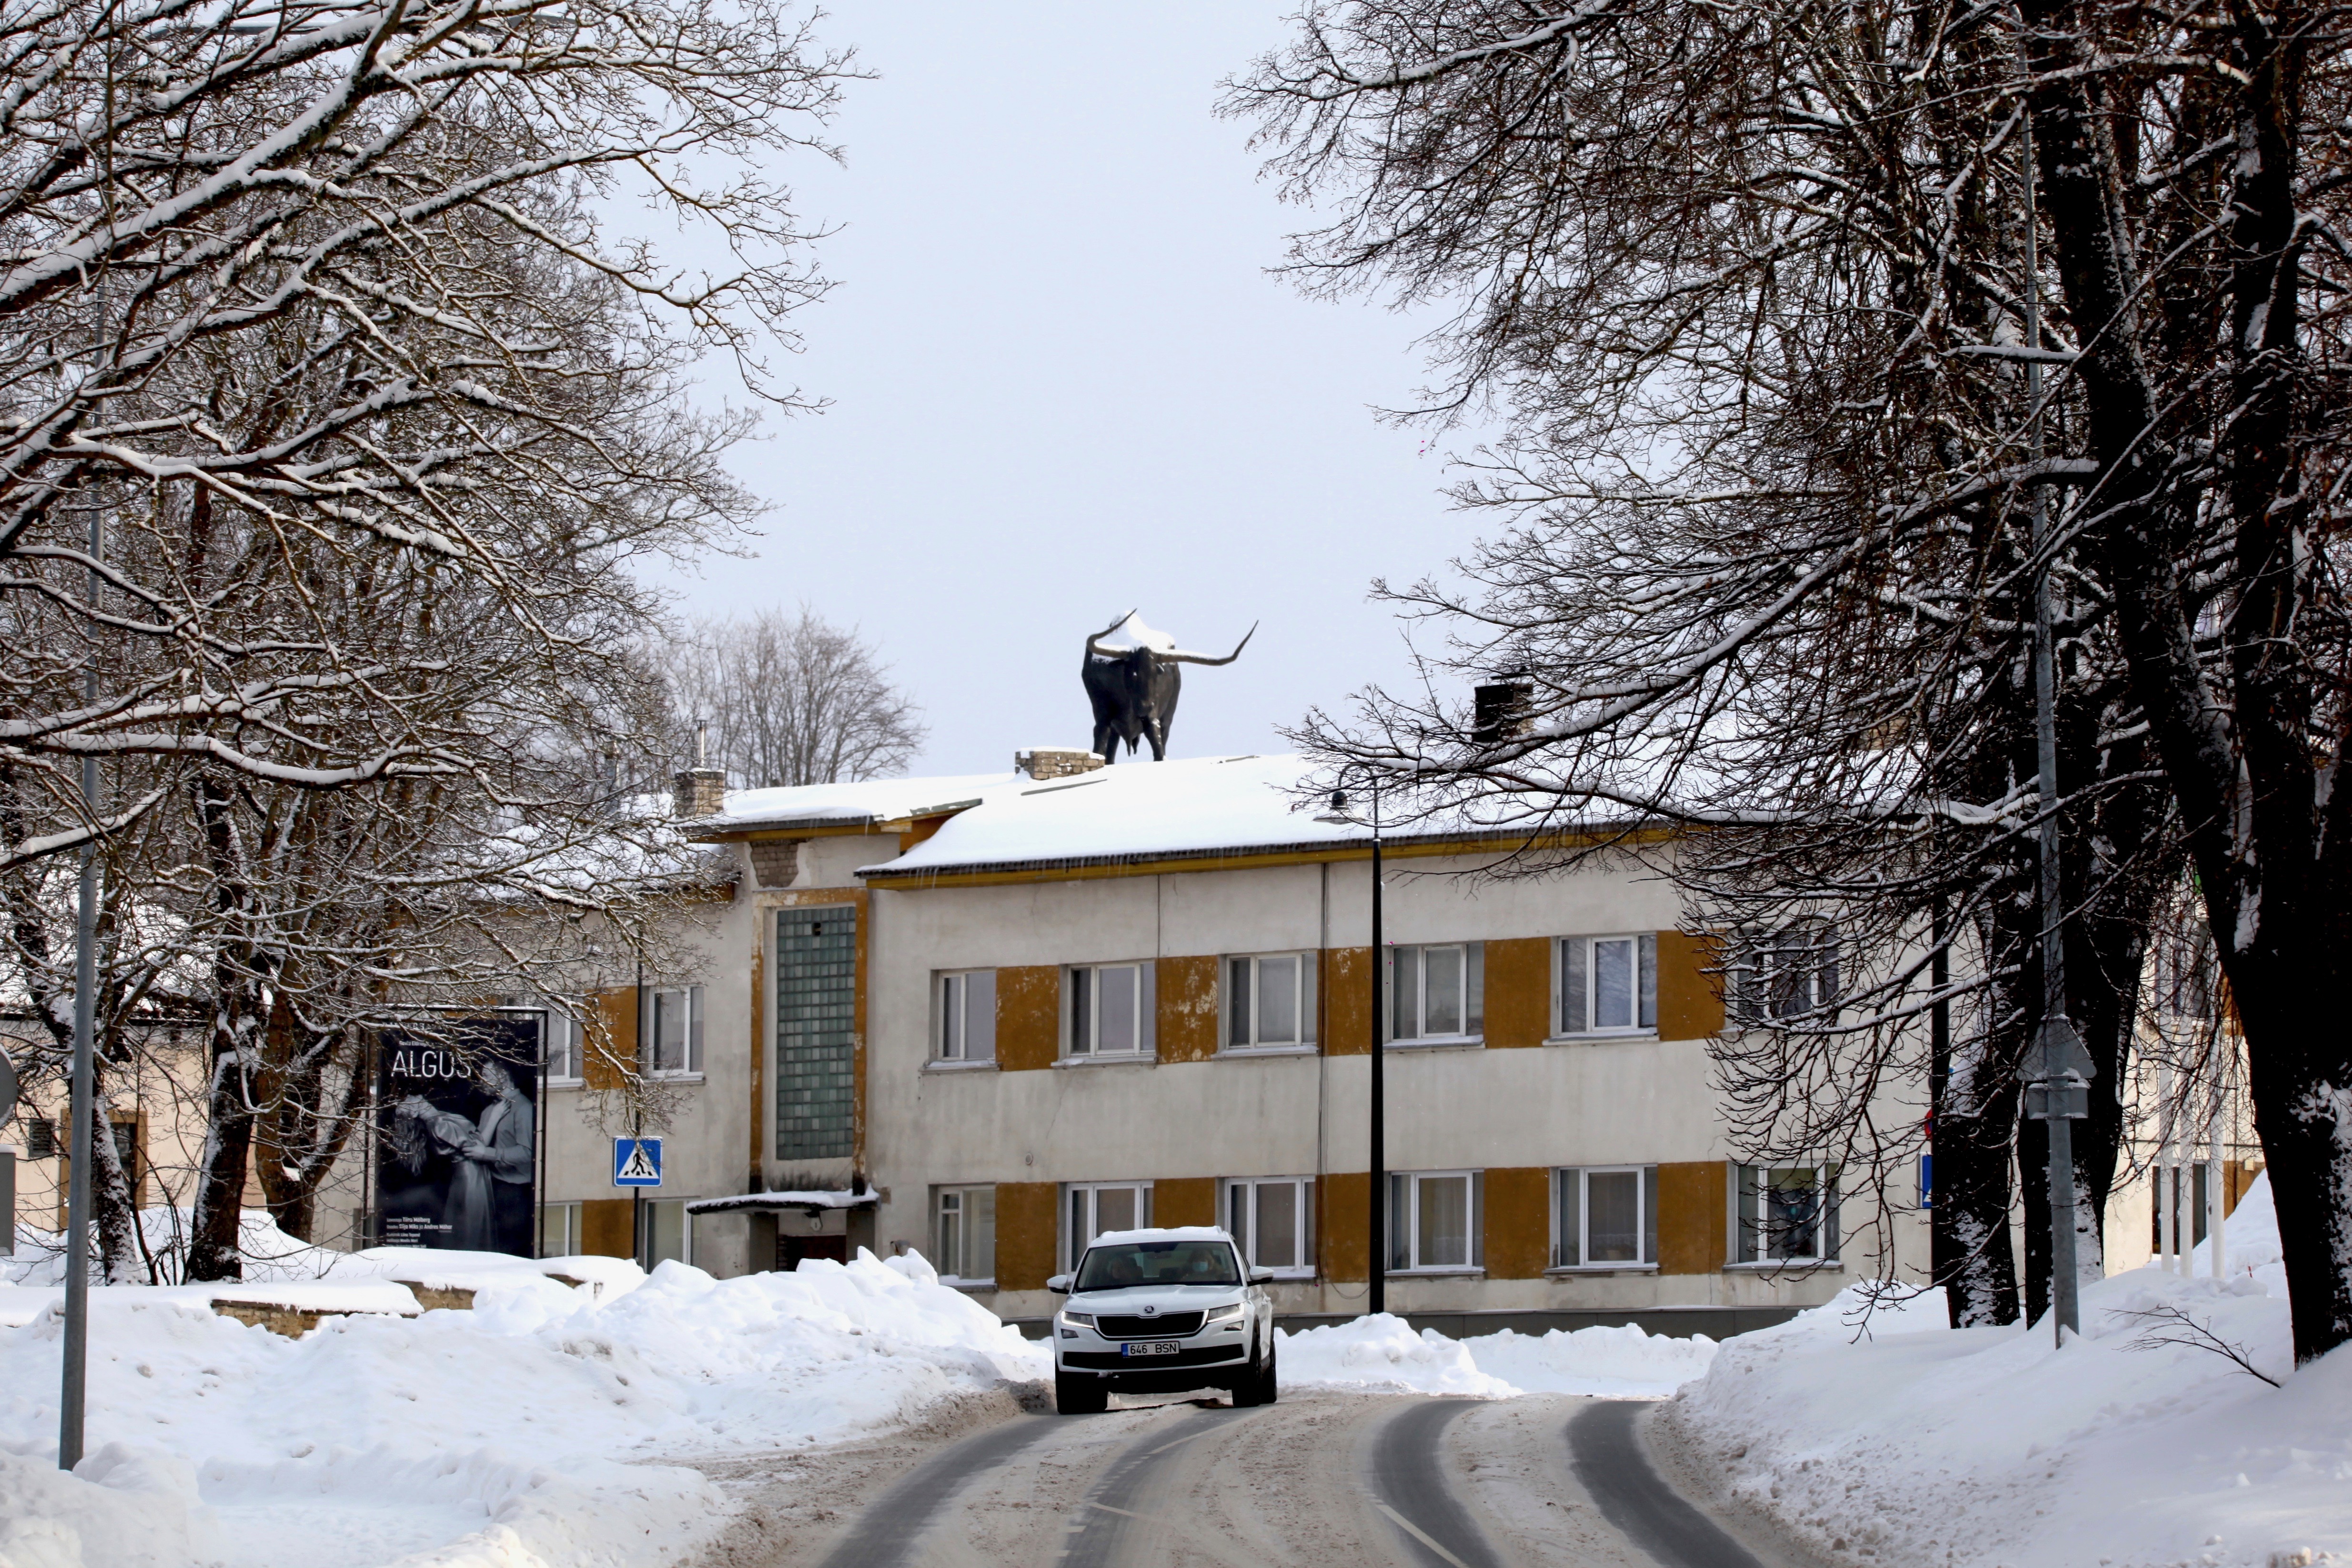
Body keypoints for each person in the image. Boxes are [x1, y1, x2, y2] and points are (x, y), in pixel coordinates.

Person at [444, 1059, 535, 1251]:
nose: (482, 1080)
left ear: (504, 1076)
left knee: (509, 1249)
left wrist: (488, 1154)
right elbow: (475, 1146)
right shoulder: (489, 1111)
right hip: (490, 1187)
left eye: (486, 1075)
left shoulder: (523, 1108)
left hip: (514, 1191)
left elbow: (528, 1153)